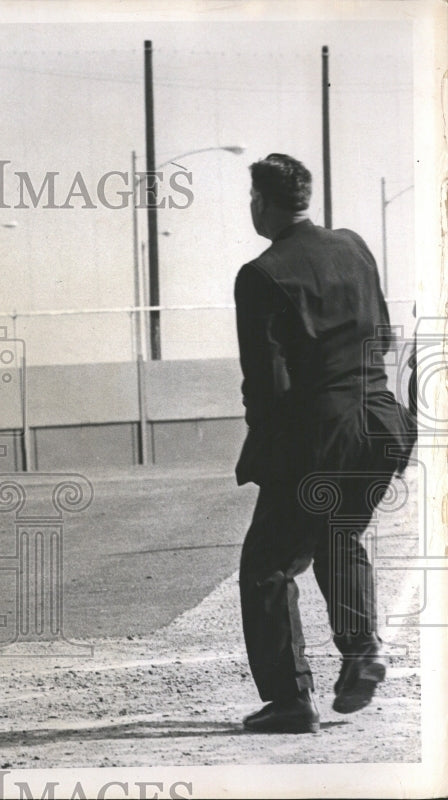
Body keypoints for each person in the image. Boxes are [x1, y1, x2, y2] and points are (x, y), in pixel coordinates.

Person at [233, 154, 415, 733]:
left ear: (261, 202)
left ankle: (290, 700)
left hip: (321, 432)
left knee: (268, 566)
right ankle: (362, 649)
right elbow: (383, 334)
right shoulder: (354, 246)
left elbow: (267, 383)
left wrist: (267, 446)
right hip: (382, 422)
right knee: (339, 536)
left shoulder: (261, 273)